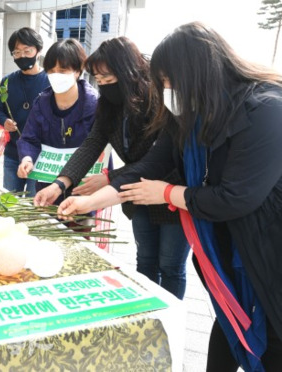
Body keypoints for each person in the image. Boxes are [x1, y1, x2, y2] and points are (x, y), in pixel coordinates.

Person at [57, 22, 282, 371]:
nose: (164, 90)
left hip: (266, 254)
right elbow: (152, 163)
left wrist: (166, 193)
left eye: (167, 81)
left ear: (197, 73)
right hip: (225, 249)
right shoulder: (190, 115)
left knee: (268, 337)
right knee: (229, 320)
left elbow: (236, 197)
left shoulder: (266, 109)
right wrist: (89, 201)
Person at [35, 36, 190, 300]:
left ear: (128, 70)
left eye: (110, 79)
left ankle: (170, 315)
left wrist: (109, 179)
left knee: (171, 266)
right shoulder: (109, 105)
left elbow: (158, 159)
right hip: (134, 193)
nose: (105, 87)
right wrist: (60, 183)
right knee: (146, 260)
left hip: (171, 195)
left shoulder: (158, 98)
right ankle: (147, 311)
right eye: (101, 81)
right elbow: (92, 143)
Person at [17, 39, 98, 202]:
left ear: (78, 70)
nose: (56, 76)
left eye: (63, 70)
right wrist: (27, 158)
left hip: (83, 189)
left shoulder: (95, 104)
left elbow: (99, 149)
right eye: (51, 71)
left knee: (78, 227)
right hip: (47, 187)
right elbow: (29, 138)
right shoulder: (41, 103)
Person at [0, 27, 49, 197]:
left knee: (34, 204)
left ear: (37, 51)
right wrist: (4, 121)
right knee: (11, 201)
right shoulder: (7, 81)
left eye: (27, 51)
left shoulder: (50, 80)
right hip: (12, 153)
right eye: (17, 53)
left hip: (41, 156)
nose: (22, 56)